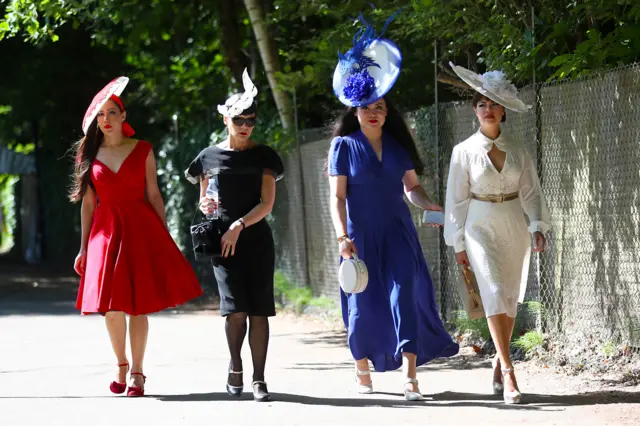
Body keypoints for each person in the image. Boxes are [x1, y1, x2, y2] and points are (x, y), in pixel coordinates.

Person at [327, 13, 459, 401]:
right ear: (356, 109)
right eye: (368, 106)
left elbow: (412, 189)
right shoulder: (343, 147)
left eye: (381, 107)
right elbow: (337, 197)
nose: (375, 112)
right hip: (360, 236)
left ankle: (411, 375)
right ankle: (361, 367)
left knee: (405, 295)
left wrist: (429, 204)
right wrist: (342, 237)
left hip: (400, 232)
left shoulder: (399, 147)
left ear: (387, 112)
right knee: (363, 302)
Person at [70, 77, 204, 397]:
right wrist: (83, 247)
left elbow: (154, 194)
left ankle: (139, 373)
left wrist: (164, 233)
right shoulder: (88, 154)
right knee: (112, 308)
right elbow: (88, 204)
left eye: (112, 112)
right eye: (101, 114)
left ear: (122, 116)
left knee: (137, 306)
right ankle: (121, 364)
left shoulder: (143, 149)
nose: (106, 119)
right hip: (104, 232)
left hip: (140, 228)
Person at [444, 63, 551, 404]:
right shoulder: (463, 151)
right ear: (474, 111)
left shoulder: (519, 148)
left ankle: (497, 360)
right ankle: (509, 373)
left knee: (508, 296)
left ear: (503, 109)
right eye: (480, 103)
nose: (487, 108)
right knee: (491, 289)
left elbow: (532, 193)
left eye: (492, 103)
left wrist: (536, 226)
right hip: (478, 223)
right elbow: (456, 200)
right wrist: (457, 241)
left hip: (512, 223)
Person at [184, 69, 284, 402]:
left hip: (254, 240)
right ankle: (235, 365)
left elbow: (266, 203)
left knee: (258, 311)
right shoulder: (208, 157)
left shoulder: (264, 156)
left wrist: (239, 225)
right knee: (235, 309)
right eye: (239, 119)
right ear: (227, 119)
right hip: (221, 243)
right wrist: (207, 203)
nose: (245, 126)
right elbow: (205, 198)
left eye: (251, 120)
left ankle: (259, 379)